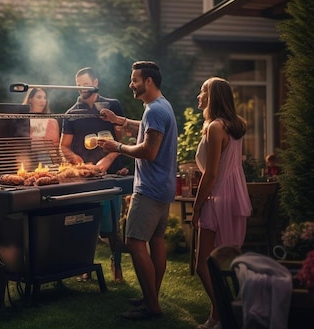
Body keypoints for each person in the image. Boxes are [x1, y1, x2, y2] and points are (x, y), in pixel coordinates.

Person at [98, 61, 177, 320]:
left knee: (133, 241)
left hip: (150, 189)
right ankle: (150, 296)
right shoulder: (160, 106)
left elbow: (148, 151)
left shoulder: (154, 111)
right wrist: (119, 120)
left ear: (149, 82)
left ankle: (152, 306)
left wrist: (116, 147)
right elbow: (145, 129)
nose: (131, 84)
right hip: (164, 187)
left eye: (135, 80)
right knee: (156, 241)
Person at [191, 77, 252, 329]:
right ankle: (220, 314)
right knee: (221, 260)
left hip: (218, 197)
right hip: (234, 195)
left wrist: (196, 208)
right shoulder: (233, 125)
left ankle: (223, 313)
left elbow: (211, 174)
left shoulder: (216, 127)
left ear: (213, 96)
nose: (198, 95)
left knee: (204, 263)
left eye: (203, 91)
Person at [61, 67, 127, 282]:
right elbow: (65, 147)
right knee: (84, 222)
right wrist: (77, 161)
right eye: (78, 84)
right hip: (85, 178)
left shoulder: (112, 106)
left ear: (95, 82)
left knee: (112, 225)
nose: (81, 88)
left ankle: (116, 266)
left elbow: (121, 138)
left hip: (111, 174)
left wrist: (108, 160)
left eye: (85, 83)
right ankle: (84, 267)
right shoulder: (71, 113)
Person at [22, 87, 60, 164]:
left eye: (44, 98)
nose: (43, 100)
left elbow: (55, 147)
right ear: (30, 100)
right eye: (39, 97)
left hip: (46, 159)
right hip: (25, 158)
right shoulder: (22, 119)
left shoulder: (52, 121)